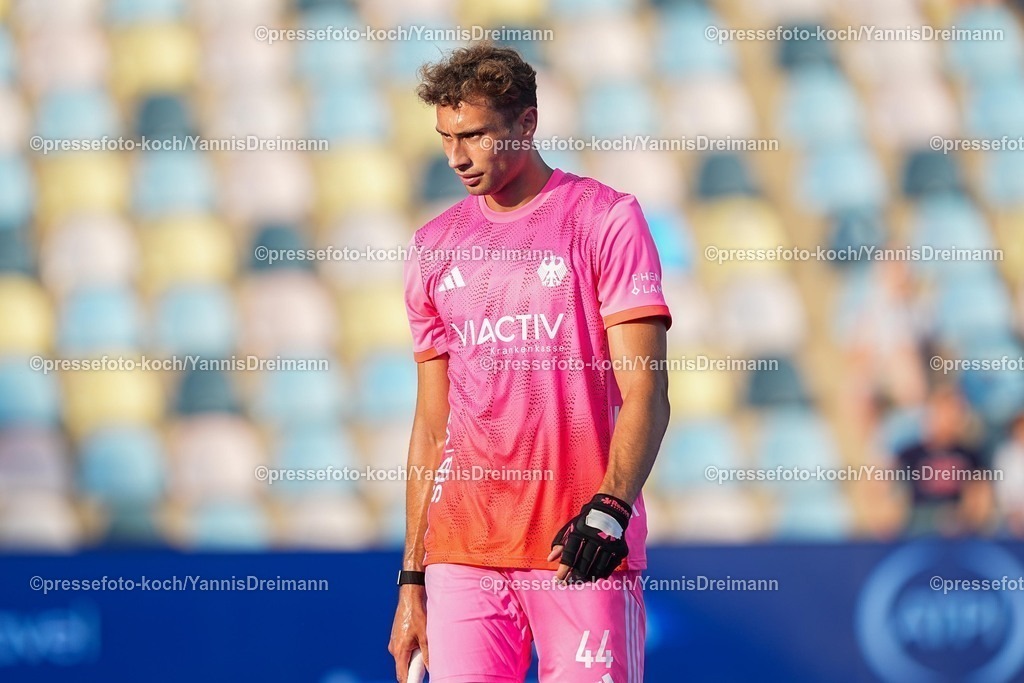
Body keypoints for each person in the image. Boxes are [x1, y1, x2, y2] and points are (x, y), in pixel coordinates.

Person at [388, 43, 671, 683]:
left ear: (527, 123)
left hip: (581, 544)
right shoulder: (433, 247)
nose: (457, 156)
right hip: (462, 552)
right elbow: (432, 428)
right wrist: (412, 578)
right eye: (446, 137)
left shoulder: (605, 219)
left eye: (475, 135)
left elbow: (647, 394)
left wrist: (611, 509)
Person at [896, 384, 993, 536]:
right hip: (919, 523)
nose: (948, 419)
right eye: (943, 412)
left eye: (954, 412)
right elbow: (896, 498)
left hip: (959, 525)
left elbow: (980, 499)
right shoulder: (910, 455)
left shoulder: (971, 456)